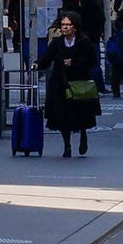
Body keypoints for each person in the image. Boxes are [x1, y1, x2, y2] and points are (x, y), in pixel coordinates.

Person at [39, 12, 100, 157]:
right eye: (63, 25)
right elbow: (47, 58)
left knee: (80, 113)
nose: (65, 28)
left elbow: (92, 61)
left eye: (68, 25)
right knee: (62, 114)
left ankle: (83, 134)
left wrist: (74, 62)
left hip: (79, 82)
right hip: (61, 83)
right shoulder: (57, 43)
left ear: (75, 27)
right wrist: (37, 64)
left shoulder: (84, 42)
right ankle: (67, 145)